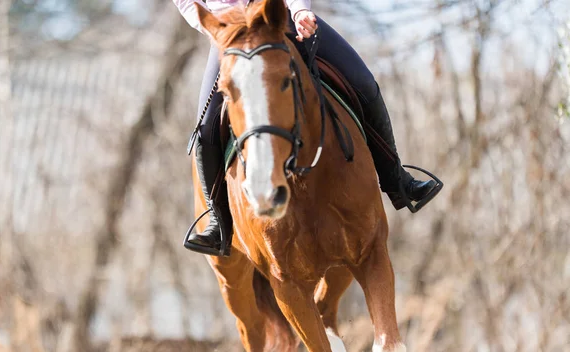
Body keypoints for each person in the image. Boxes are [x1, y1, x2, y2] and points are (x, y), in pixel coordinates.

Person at [174, 0, 441, 256]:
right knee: (206, 128)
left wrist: (300, 10)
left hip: (281, 16)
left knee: (364, 83)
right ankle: (217, 221)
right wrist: (211, 25)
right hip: (229, 32)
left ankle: (396, 180)